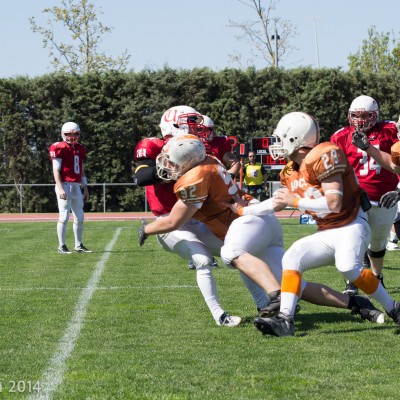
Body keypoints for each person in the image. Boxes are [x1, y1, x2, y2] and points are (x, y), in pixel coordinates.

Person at [138, 133, 385, 328]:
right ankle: (355, 303)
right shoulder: (208, 162)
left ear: (188, 161)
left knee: (230, 253)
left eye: (172, 161)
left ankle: (276, 298)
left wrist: (146, 229)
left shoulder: (194, 177)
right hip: (259, 222)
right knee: (295, 285)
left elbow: (173, 222)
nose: (168, 165)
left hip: (247, 222)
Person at [225, 111, 400, 337]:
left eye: (280, 139)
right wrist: (242, 209)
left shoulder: (325, 154)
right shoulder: (290, 171)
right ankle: (284, 320)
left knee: (347, 266)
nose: (276, 144)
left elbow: (334, 203)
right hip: (327, 231)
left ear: (294, 139)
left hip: (351, 224)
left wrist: (295, 200)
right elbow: (276, 202)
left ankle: (393, 308)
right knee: (292, 256)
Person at [134, 106, 244, 327]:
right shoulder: (153, 145)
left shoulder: (199, 149)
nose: (197, 128)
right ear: (174, 124)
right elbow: (142, 177)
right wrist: (172, 166)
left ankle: (267, 304)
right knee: (202, 260)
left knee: (239, 252)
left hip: (199, 218)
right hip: (169, 222)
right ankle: (220, 316)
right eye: (191, 123)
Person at [330, 95, 399, 295]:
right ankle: (352, 281)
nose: (360, 120)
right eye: (356, 115)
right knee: (353, 240)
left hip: (385, 197)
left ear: (375, 114)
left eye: (366, 115)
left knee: (377, 244)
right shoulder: (341, 136)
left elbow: (397, 164)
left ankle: (377, 278)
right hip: (356, 198)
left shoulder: (390, 131)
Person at [49, 122, 92, 254]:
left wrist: (85, 187)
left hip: (76, 185)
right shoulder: (59, 147)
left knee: (80, 216)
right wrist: (60, 188)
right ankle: (61, 246)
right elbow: (56, 170)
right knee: (64, 216)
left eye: (75, 134)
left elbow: (81, 169)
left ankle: (78, 245)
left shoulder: (80, 148)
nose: (72, 137)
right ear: (63, 134)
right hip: (65, 185)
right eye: (68, 134)